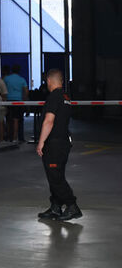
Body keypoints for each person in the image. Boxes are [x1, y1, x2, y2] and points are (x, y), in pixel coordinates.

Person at [36, 69, 81, 221]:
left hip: (54, 144)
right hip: (63, 142)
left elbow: (49, 121)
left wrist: (41, 142)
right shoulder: (65, 97)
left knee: (56, 178)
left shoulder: (54, 96)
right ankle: (56, 207)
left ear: (49, 80)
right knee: (56, 175)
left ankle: (72, 206)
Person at [4, 65, 29, 142]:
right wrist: (25, 101)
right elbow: (26, 92)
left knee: (8, 119)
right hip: (19, 101)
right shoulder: (22, 79)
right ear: (19, 71)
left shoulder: (6, 79)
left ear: (12, 70)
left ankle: (9, 136)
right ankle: (16, 137)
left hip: (8, 101)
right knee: (17, 119)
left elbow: (3, 89)